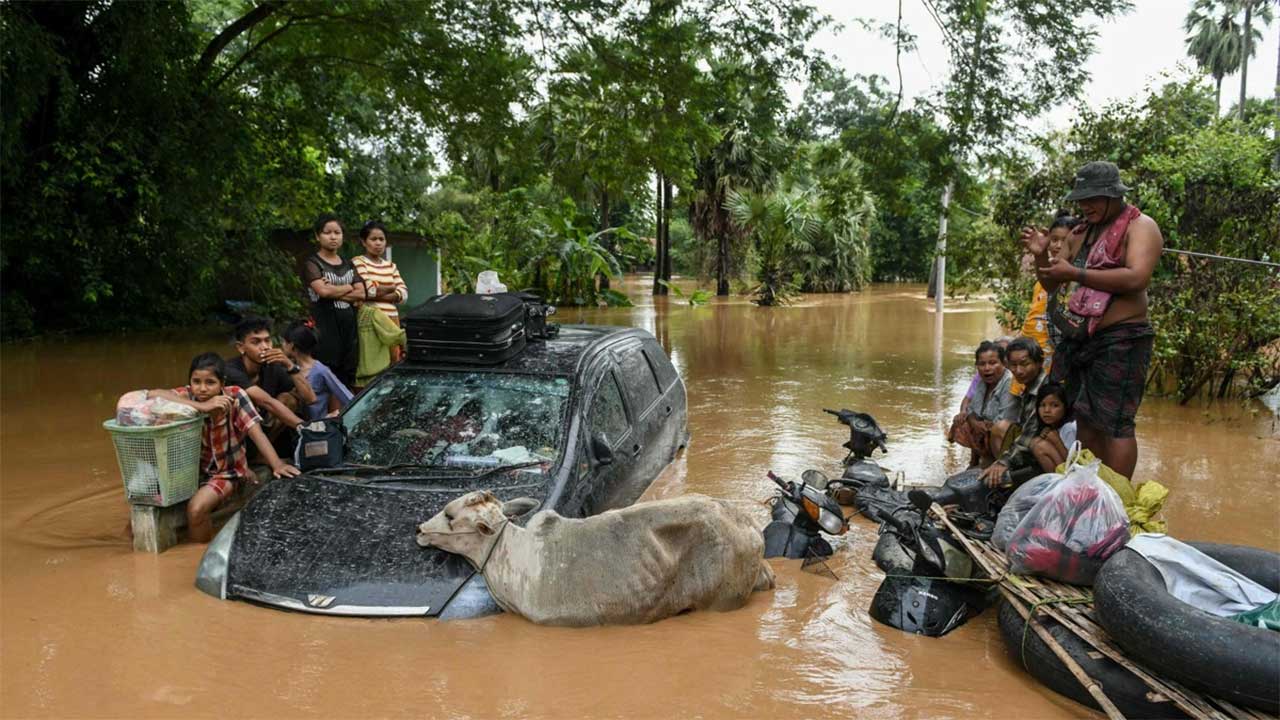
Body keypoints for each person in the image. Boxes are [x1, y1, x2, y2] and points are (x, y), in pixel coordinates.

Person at [1021, 161, 1163, 480]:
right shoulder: (1081, 232)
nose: (1086, 206)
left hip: (1122, 338)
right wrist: (1042, 255)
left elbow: (1136, 278)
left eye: (1094, 198)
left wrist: (1076, 273)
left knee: (1116, 423)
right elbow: (1052, 283)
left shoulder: (1141, 227)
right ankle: (1090, 489)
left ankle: (1118, 498)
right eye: (1082, 199)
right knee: (1085, 417)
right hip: (1082, 338)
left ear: (1114, 195)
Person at [147, 353, 300, 542]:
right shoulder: (189, 395)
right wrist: (200, 407)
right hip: (193, 472)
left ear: (222, 384)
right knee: (143, 513)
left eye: (210, 382)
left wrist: (276, 464)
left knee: (196, 509)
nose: (202, 389)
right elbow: (152, 394)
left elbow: (256, 432)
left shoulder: (235, 396)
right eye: (196, 382)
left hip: (227, 472)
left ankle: (199, 556)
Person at [225, 317, 314, 453]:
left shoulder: (273, 366)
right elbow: (266, 402)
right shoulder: (231, 370)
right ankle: (258, 457)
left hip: (265, 430)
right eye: (256, 342)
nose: (265, 347)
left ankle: (264, 454)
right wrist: (306, 428)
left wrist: (290, 366)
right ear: (240, 347)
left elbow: (311, 399)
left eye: (267, 340)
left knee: (290, 398)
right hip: (236, 435)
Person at [303, 213, 369, 388]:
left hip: (349, 333)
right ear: (318, 236)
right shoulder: (313, 263)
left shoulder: (348, 264)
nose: (333, 237)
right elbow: (323, 291)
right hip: (325, 332)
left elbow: (362, 293)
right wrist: (348, 287)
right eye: (327, 232)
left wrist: (335, 290)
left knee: (347, 379)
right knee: (326, 379)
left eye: (337, 232)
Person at [982, 337, 1048, 487]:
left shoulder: (1044, 391)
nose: (1018, 371)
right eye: (1013, 365)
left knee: (992, 483)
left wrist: (1003, 463)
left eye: (1025, 364)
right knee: (1001, 428)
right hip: (1032, 447)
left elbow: (1029, 436)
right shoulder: (1029, 386)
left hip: (1045, 453)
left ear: (1039, 362)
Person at [1021, 211, 1078, 370]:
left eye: (1065, 241)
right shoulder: (1044, 280)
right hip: (1048, 361)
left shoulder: (1082, 276)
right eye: (1054, 240)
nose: (1058, 246)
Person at [948, 340, 1017, 467]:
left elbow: (1004, 419)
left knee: (994, 429)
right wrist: (973, 421)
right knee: (960, 421)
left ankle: (999, 463)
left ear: (1003, 363)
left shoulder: (1009, 382)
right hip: (986, 426)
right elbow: (972, 408)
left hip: (1004, 434)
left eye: (992, 363)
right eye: (982, 364)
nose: (987, 368)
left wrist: (980, 424)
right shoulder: (982, 380)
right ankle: (977, 461)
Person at [350, 220, 409, 363]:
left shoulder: (391, 266)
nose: (378, 243)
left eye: (381, 239)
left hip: (392, 320)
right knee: (374, 362)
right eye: (373, 239)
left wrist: (376, 292)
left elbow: (404, 295)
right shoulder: (358, 262)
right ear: (364, 242)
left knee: (393, 361)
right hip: (371, 321)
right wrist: (391, 288)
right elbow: (367, 290)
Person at [281, 321, 353, 421]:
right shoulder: (287, 368)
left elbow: (345, 395)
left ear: (292, 345)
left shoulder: (321, 370)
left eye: (284, 342)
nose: (282, 345)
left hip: (318, 427)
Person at [356, 300, 407, 388]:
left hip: (377, 380)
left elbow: (399, 336)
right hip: (353, 381)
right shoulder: (345, 315)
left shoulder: (373, 314)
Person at [1030, 382, 1072, 472]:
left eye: (1055, 405)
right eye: (1042, 405)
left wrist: (1056, 441)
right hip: (1064, 470)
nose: (1047, 410)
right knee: (1035, 442)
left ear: (1065, 407)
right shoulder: (1050, 428)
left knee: (1041, 447)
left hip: (1074, 474)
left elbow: (1074, 463)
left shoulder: (1070, 428)